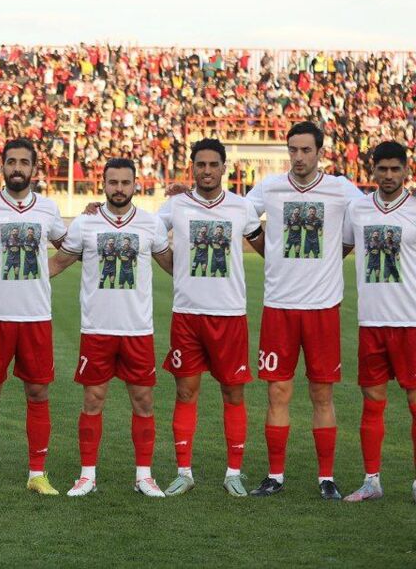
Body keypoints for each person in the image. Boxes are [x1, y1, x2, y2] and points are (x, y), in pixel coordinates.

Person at [244, 121, 362, 499]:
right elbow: (239, 215)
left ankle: (325, 478)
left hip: (322, 308)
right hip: (279, 306)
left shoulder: (342, 189)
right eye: (292, 150)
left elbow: (372, 216)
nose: (298, 157)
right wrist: (270, 253)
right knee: (277, 392)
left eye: (305, 150)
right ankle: (275, 475)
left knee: (321, 395)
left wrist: (329, 260)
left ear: (320, 151)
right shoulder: (269, 187)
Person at [49, 157, 173, 497]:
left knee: (143, 401)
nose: (119, 189)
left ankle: (144, 476)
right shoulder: (84, 224)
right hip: (97, 329)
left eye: (125, 183)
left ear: (136, 185)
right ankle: (87, 475)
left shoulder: (150, 224)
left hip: (138, 330)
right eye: (113, 182)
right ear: (102, 184)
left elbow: (174, 266)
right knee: (93, 400)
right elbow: (57, 264)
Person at [154, 139, 264, 497]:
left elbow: (266, 247)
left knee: (233, 394)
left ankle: (234, 471)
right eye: (200, 164)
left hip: (229, 315)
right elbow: (149, 236)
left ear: (224, 167)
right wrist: (177, 269)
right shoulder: (176, 205)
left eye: (212, 164)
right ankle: (184, 472)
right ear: (192, 167)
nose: (206, 170)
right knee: (185, 392)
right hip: (187, 315)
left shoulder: (242, 207)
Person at [0, 138, 66, 497]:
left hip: (36, 316)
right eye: (11, 162)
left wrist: (41, 272)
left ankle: (37, 473)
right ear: (1, 166)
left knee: (38, 392)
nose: (17, 168)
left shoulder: (48, 209)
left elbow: (69, 250)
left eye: (24, 162)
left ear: (34, 169)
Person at [340, 141, 416, 503]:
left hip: (411, 322)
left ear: (405, 171)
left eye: (394, 170)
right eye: (382, 169)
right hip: (370, 322)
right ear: (373, 170)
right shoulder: (357, 210)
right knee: (372, 401)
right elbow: (337, 250)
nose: (388, 176)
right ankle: (372, 481)